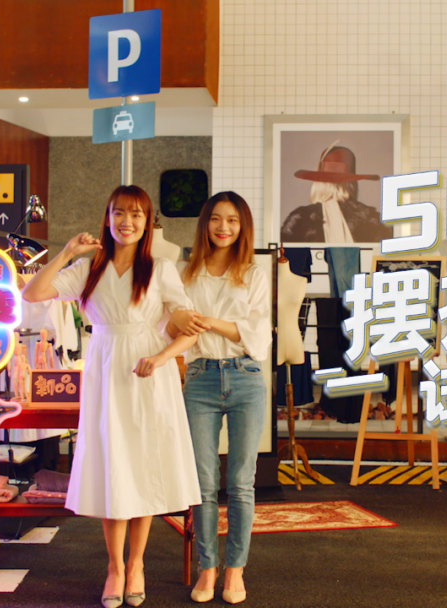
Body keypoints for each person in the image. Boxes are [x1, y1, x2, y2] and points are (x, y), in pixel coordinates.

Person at [23, 185, 201, 608]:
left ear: (148, 221)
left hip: (148, 374)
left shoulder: (160, 269)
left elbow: (188, 327)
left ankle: (136, 564)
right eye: (119, 212)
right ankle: (115, 567)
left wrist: (162, 356)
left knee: (143, 466)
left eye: (137, 214)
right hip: (105, 370)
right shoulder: (89, 267)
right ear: (107, 217)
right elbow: (33, 293)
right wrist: (67, 252)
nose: (127, 221)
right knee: (112, 467)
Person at [169, 192, 271, 605]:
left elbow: (257, 336)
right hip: (200, 378)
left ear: (242, 226)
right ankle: (207, 567)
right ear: (204, 224)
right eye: (215, 219)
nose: (223, 227)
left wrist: (208, 321)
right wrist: (194, 324)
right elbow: (173, 324)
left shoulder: (254, 274)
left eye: (232, 220)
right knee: (204, 482)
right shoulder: (184, 272)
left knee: (241, 482)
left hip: (246, 377)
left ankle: (235, 570)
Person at [279, 145, 392, 243]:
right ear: (352, 184)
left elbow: (284, 258)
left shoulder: (300, 221)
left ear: (317, 184)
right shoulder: (371, 219)